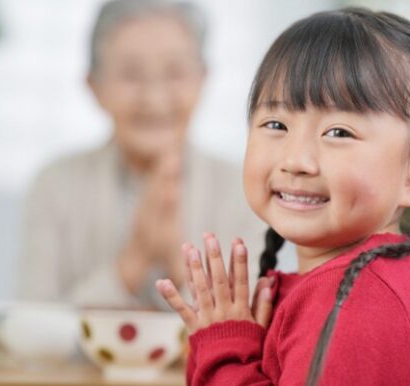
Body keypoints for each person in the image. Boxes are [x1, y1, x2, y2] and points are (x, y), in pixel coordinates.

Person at [156, 7, 410, 385]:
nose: (296, 160)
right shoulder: (347, 286)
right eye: (276, 124)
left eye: (339, 132)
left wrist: (225, 352)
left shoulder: (358, 306)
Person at [17, 0, 282, 309]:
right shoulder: (55, 185)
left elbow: (252, 329)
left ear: (203, 80)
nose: (154, 100)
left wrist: (177, 264)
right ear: (94, 86)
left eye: (174, 73)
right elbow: (31, 326)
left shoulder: (245, 190)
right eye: (131, 75)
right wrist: (133, 259)